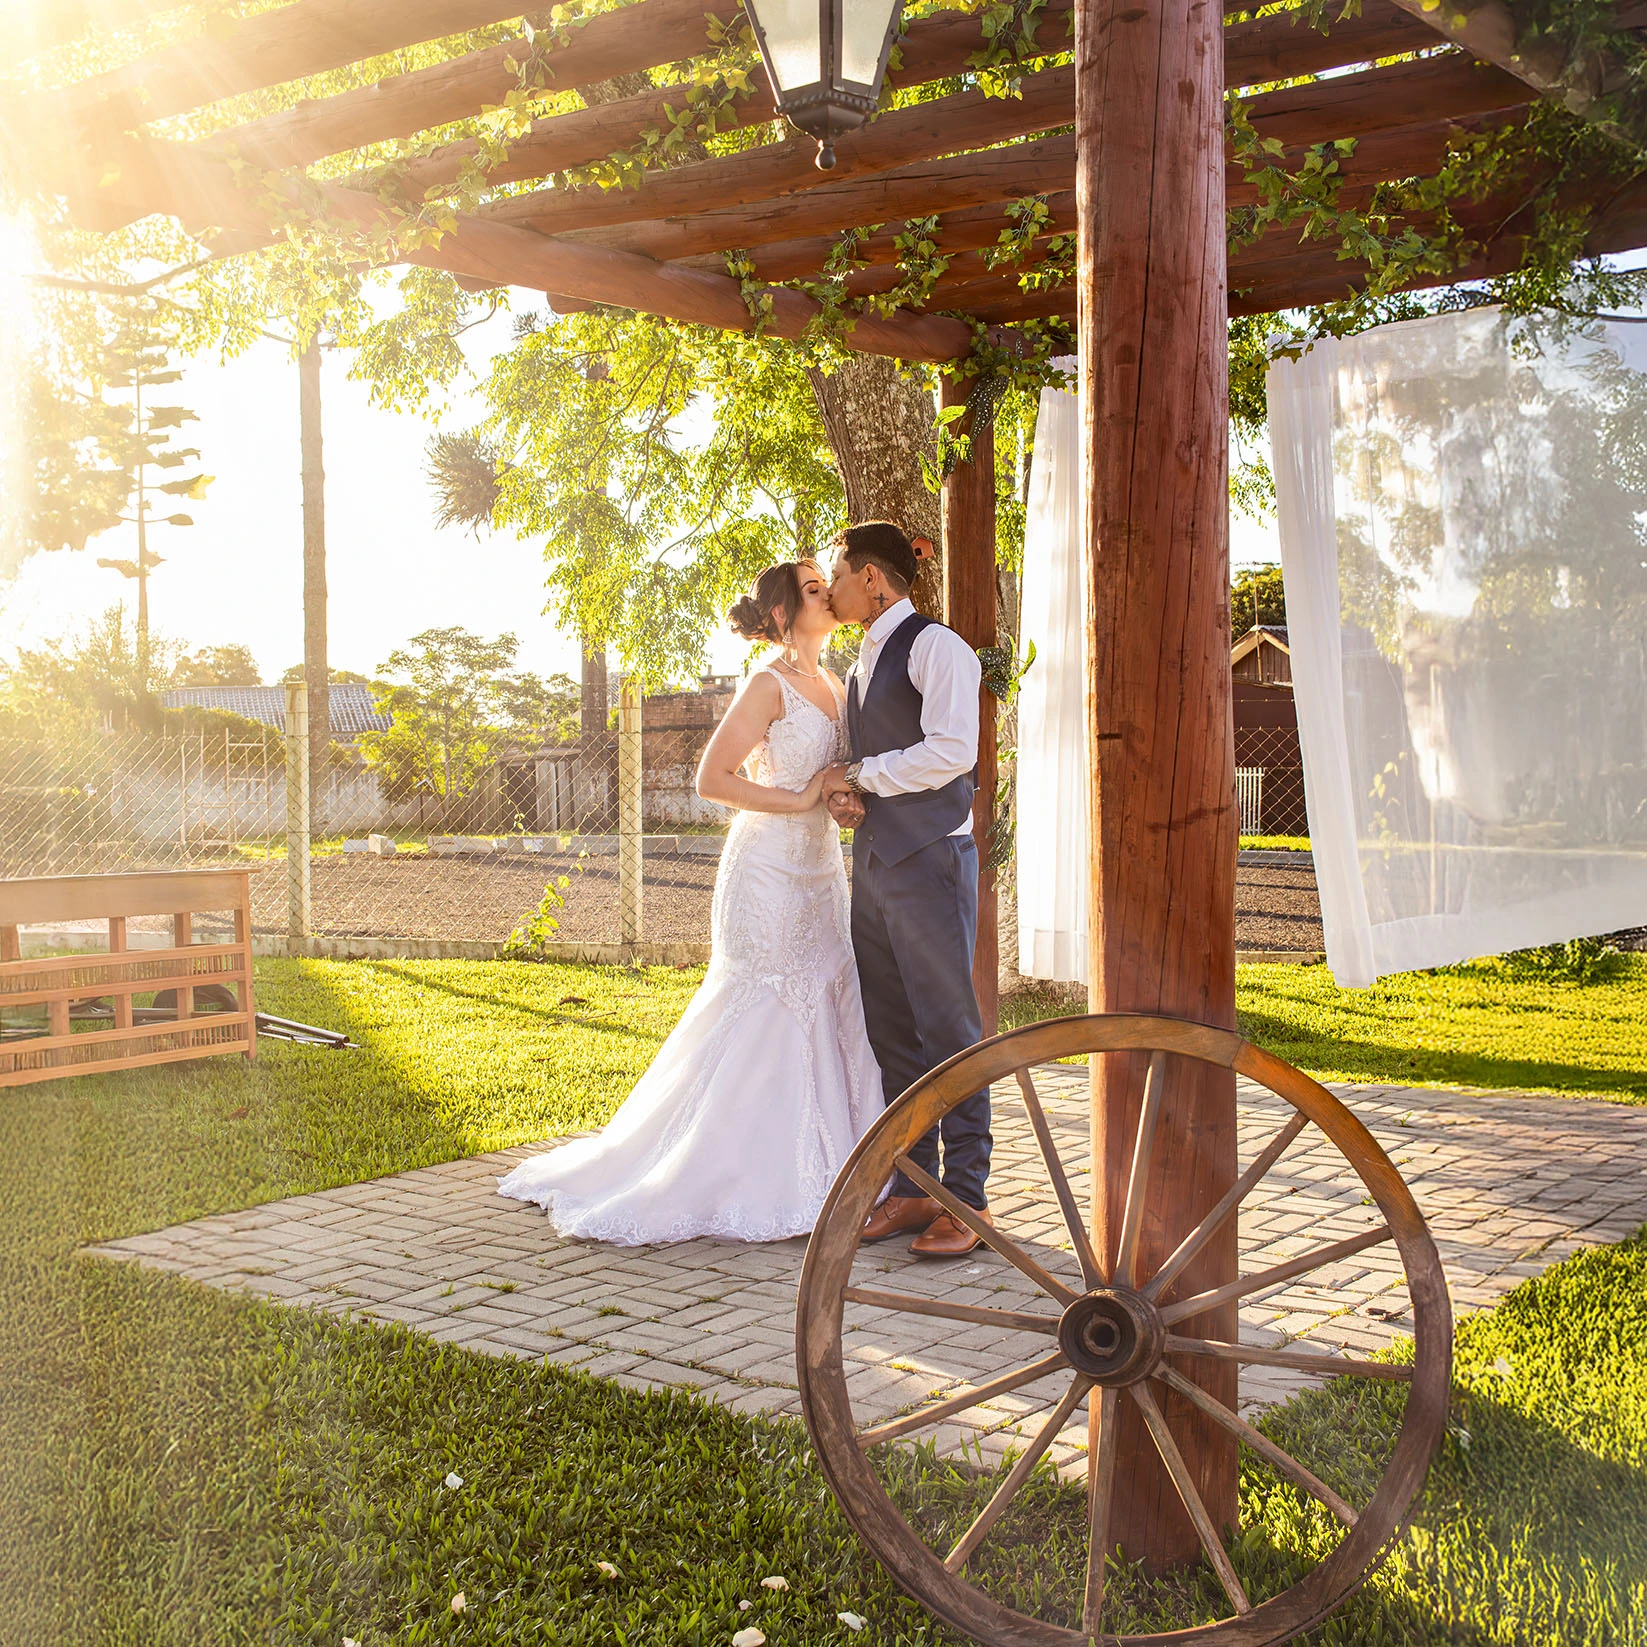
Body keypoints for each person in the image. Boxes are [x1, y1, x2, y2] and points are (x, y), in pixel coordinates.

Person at [497, 559, 884, 1244]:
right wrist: (798, 797)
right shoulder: (768, 684)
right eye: (815, 590)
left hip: (820, 869)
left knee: (823, 996)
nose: (829, 595)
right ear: (781, 616)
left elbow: (830, 773)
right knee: (763, 1001)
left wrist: (839, 799)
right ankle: (733, 1170)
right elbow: (712, 778)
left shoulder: (834, 682)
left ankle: (832, 1163)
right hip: (764, 869)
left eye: (828, 586)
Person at [819, 521, 993, 1259]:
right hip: (877, 863)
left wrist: (862, 776)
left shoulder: (935, 646)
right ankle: (916, 1188)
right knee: (892, 1032)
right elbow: (878, 754)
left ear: (870, 578)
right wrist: (853, 796)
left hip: (929, 860)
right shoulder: (861, 659)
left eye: (835, 574)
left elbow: (952, 752)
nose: (828, 589)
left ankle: (970, 1200)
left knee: (949, 1029)